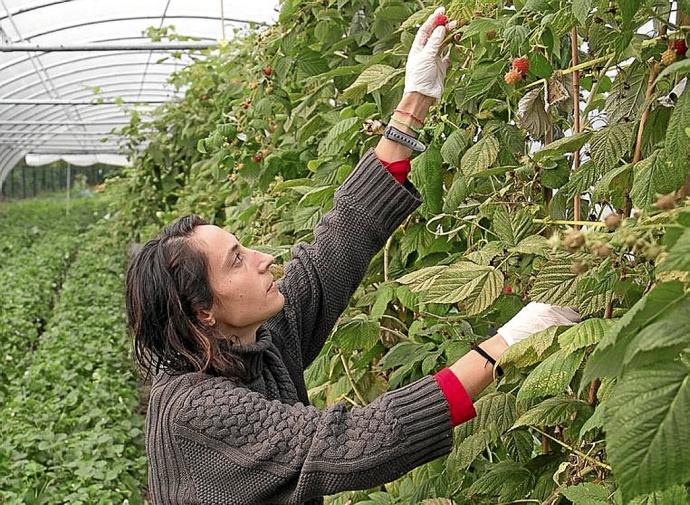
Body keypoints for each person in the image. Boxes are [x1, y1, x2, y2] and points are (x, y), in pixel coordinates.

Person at [125, 7, 580, 504]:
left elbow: (334, 249)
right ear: (202, 311)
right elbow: (352, 443)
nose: (264, 258)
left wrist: (414, 102)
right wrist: (504, 345)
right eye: (236, 260)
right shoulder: (195, 408)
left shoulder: (251, 339)